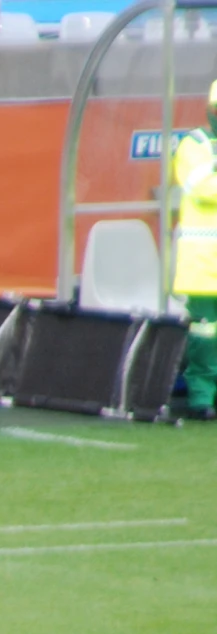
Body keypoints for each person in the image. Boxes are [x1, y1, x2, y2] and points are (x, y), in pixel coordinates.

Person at [168, 80, 217, 419]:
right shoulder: (193, 145)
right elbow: (203, 188)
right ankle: (202, 398)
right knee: (205, 334)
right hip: (203, 267)